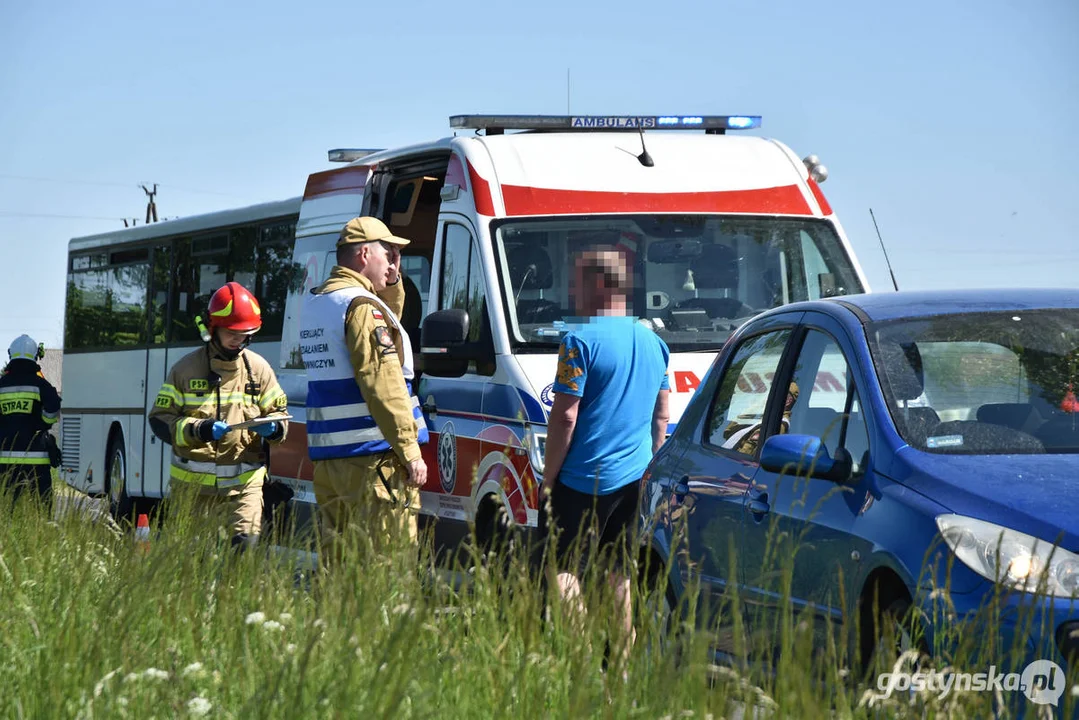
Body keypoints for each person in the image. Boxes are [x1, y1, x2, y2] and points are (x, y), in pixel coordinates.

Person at [538, 248, 670, 674]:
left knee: (564, 571)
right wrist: (647, 468)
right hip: (633, 481)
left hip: (581, 479)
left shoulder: (578, 341)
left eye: (577, 280)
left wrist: (548, 478)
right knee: (620, 575)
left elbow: (566, 416)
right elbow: (662, 414)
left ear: (599, 284)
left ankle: (580, 668)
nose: (571, 290)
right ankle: (624, 669)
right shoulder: (655, 343)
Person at [300, 216, 430, 565]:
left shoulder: (318, 303)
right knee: (388, 568)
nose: (392, 260)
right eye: (387, 253)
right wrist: (409, 450)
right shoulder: (361, 308)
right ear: (363, 254)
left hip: (331, 462)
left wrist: (393, 278)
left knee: (340, 569)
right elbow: (383, 384)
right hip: (373, 461)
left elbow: (390, 320)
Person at [148, 282, 288, 549]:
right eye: (232, 333)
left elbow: (280, 414)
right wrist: (197, 429)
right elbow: (159, 420)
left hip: (244, 490)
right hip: (192, 494)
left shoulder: (258, 369)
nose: (239, 340)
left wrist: (274, 429)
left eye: (245, 333)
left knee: (243, 553)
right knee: (191, 564)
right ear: (214, 329)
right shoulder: (185, 370)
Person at [0, 335, 61, 510]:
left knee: (8, 510)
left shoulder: (1, 385)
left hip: (5, 462)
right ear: (34, 356)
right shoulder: (41, 385)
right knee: (41, 511)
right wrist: (42, 423)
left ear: (12, 355)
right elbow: (53, 408)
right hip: (37, 461)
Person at [721, 381, 800, 455]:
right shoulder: (766, 418)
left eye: (774, 393)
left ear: (788, 401)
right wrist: (757, 406)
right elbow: (729, 432)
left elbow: (745, 454)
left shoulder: (778, 424)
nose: (768, 396)